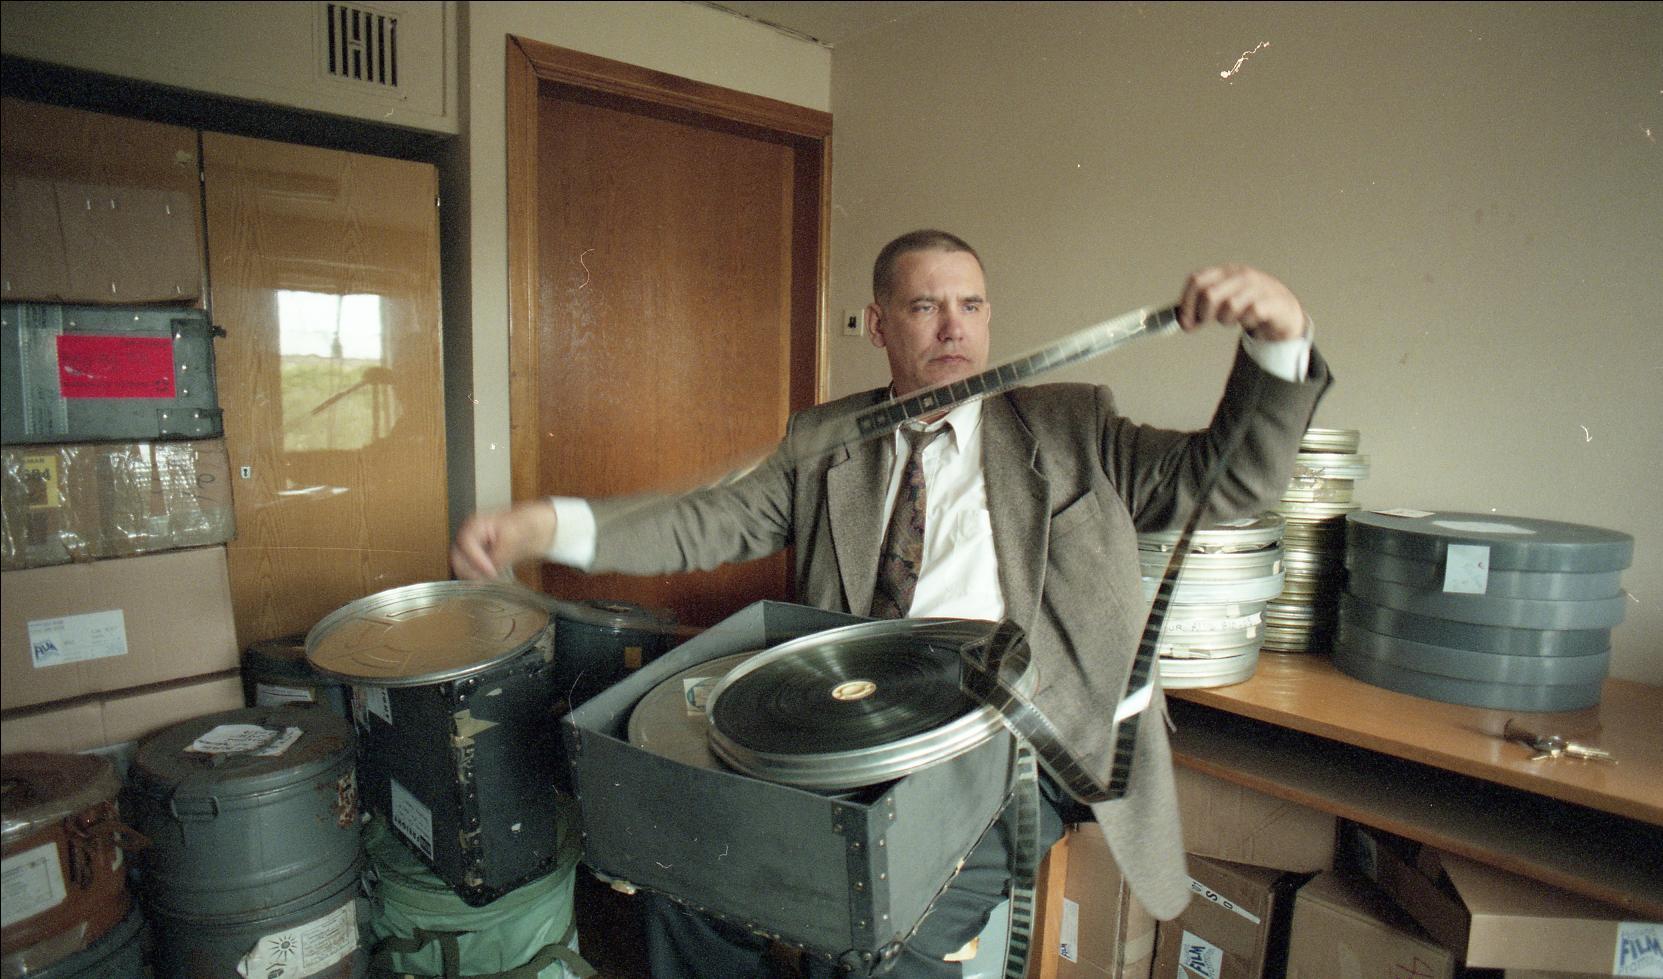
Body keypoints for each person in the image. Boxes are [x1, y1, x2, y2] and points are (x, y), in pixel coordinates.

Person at [452, 230, 1331, 977]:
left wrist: (1278, 340)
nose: (954, 326)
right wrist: (549, 524)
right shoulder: (827, 440)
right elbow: (702, 521)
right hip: (845, 724)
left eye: (971, 305)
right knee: (682, 880)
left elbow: (1230, 483)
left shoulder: (1073, 425)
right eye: (924, 306)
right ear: (878, 324)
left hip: (1013, 741)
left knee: (884, 934)